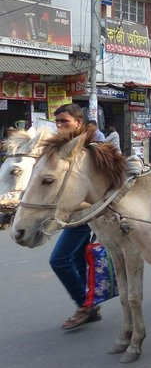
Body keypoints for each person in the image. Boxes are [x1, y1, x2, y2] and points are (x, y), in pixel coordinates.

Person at [50, 104, 102, 329]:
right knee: (79, 260)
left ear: (79, 123)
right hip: (70, 214)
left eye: (65, 121)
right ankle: (89, 303)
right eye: (57, 122)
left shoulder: (91, 148)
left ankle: (85, 305)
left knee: (59, 260)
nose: (60, 126)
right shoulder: (61, 149)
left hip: (85, 214)